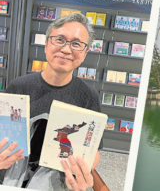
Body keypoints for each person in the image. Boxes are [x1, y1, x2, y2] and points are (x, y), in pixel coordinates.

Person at [0, 13, 101, 191]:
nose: (66, 49)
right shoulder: (19, 86)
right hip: (11, 178)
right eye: (59, 39)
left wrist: (84, 171)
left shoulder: (88, 96)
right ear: (47, 45)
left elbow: (94, 150)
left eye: (77, 44)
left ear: (85, 54)